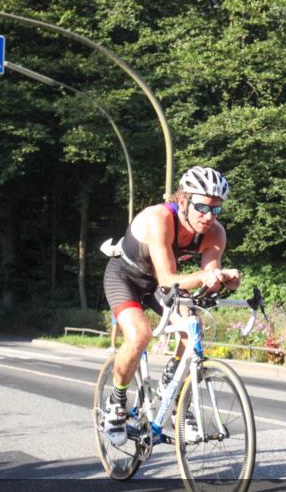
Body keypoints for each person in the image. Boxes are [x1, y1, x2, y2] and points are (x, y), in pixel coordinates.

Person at [101, 166, 240, 446]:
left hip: (160, 284)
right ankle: (116, 401)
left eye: (216, 209)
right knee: (139, 335)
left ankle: (174, 392)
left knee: (192, 325)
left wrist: (224, 280)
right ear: (183, 201)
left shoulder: (215, 233)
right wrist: (206, 276)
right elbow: (167, 278)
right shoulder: (160, 218)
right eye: (202, 207)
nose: (209, 216)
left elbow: (208, 279)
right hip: (125, 277)